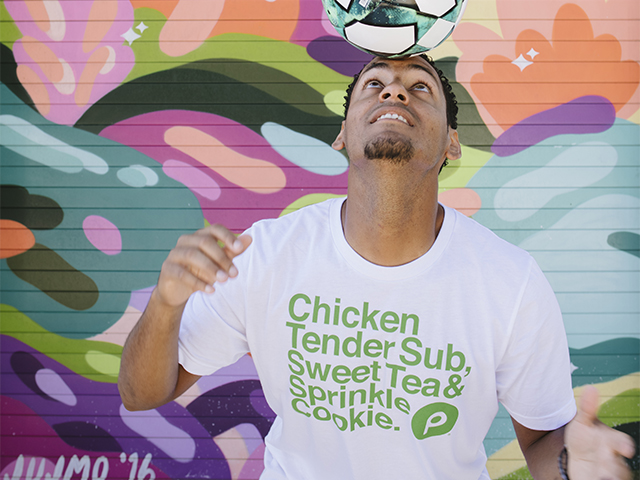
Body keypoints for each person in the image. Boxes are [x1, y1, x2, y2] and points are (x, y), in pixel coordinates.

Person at [118, 54, 635, 479]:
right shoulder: (267, 254)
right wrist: (165, 305)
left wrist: (573, 466)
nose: (394, 92)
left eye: (419, 87)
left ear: (452, 142)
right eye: (375, 84)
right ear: (342, 134)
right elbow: (142, 394)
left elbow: (543, 439)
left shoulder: (511, 281)